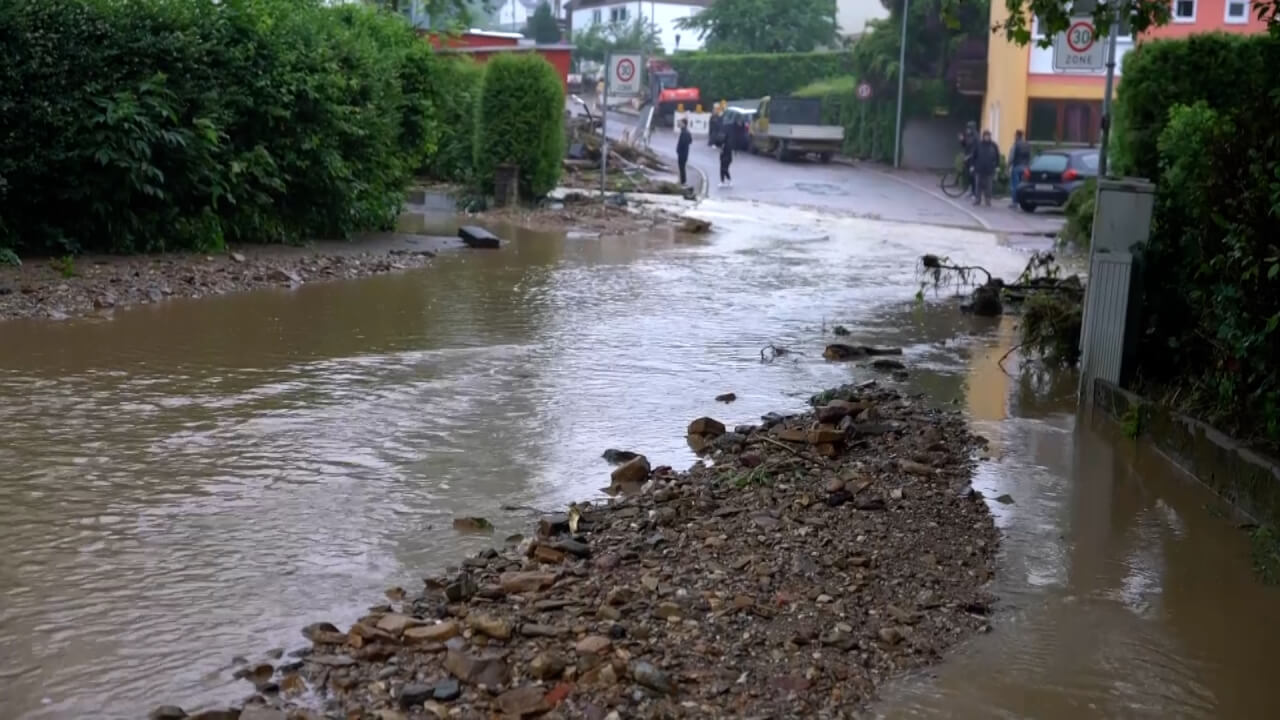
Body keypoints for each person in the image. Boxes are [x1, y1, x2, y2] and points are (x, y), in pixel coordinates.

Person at [973, 130, 1001, 207]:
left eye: (988, 136)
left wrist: (997, 166)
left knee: (989, 186)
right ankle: (977, 199)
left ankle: (988, 200)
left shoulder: (994, 145)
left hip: (990, 169)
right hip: (979, 168)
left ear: (990, 136)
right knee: (978, 185)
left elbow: (997, 156)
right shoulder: (979, 145)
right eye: (985, 136)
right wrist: (973, 166)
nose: (987, 137)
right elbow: (974, 156)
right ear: (983, 136)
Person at [1008, 129, 1031, 208]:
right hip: (1025, 167)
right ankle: (1022, 202)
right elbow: (1029, 156)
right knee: (1023, 186)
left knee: (1015, 185)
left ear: (1017, 136)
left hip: (1017, 167)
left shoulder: (1016, 145)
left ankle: (1015, 202)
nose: (1014, 137)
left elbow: (1012, 157)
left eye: (1015, 135)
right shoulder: (1027, 144)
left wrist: (1008, 165)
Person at [958, 122, 978, 199]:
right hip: (968, 158)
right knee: (969, 175)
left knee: (973, 176)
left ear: (972, 128)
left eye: (969, 128)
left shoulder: (976, 137)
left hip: (973, 159)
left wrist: (970, 156)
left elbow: (976, 149)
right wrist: (962, 140)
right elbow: (965, 145)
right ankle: (971, 191)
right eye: (967, 128)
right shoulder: (969, 136)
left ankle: (974, 193)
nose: (967, 130)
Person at [676, 118, 692, 186]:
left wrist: (679, 149)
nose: (679, 124)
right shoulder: (686, 132)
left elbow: (683, 142)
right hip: (684, 153)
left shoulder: (684, 132)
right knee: (682, 167)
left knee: (682, 167)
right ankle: (683, 181)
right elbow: (690, 141)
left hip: (683, 153)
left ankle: (683, 181)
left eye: (681, 123)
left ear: (684, 124)